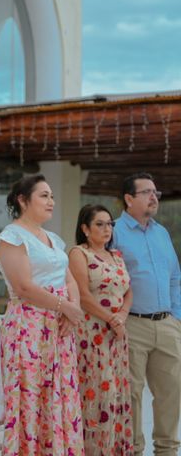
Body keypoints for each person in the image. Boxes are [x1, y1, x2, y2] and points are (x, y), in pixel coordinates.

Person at [0, 174, 85, 455]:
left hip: (59, 327)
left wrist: (71, 310)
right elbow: (24, 287)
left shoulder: (53, 238)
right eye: (44, 195)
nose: (51, 201)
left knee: (59, 397)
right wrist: (65, 307)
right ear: (23, 200)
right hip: (29, 327)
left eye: (52, 196)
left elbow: (70, 279)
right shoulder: (11, 237)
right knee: (31, 397)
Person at [113, 172, 181, 456]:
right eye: (147, 192)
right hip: (132, 324)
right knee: (131, 394)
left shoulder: (161, 232)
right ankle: (133, 450)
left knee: (171, 392)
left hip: (166, 325)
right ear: (129, 199)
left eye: (156, 192)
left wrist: (176, 318)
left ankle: (166, 450)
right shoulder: (113, 230)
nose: (154, 197)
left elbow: (175, 277)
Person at [69, 204, 133, 455]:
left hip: (116, 335)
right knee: (97, 395)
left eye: (110, 224)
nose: (107, 229)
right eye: (100, 224)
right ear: (85, 228)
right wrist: (112, 319)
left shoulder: (116, 255)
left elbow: (128, 290)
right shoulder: (79, 253)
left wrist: (122, 316)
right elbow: (83, 296)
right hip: (93, 335)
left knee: (116, 395)